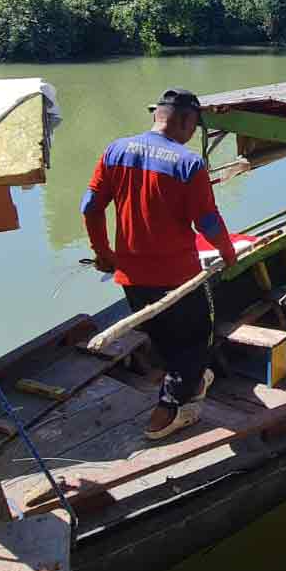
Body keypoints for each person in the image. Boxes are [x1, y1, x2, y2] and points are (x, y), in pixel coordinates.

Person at [81, 88, 238, 440]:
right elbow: (208, 222)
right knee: (197, 340)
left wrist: (103, 252)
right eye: (194, 126)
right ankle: (167, 413)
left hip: (131, 278)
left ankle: (191, 380)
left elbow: (90, 206)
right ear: (185, 120)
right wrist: (228, 253)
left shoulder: (115, 150)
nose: (192, 134)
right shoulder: (188, 163)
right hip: (179, 280)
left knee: (163, 339)